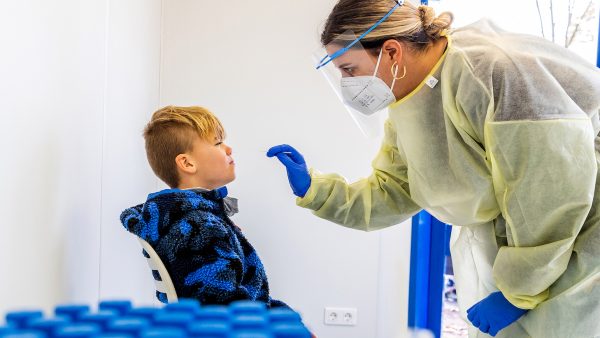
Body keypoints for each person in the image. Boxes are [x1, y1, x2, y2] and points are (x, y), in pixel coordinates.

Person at [267, 0, 600, 337]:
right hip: (536, 257)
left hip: (585, 242)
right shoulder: (412, 98)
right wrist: (315, 190)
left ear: (392, 51)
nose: (347, 84)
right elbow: (396, 188)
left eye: (349, 69)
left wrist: (519, 292)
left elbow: (548, 195)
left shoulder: (497, 72)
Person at [121, 105, 289, 308]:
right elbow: (223, 304)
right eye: (218, 143)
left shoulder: (186, 218)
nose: (228, 149)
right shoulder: (199, 227)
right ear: (188, 163)